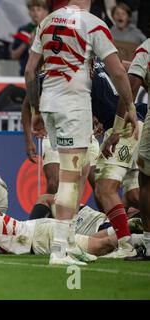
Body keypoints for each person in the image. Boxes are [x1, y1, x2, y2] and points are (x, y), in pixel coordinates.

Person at [24, 0, 138, 265]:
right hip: (73, 107)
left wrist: (36, 110)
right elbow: (119, 71)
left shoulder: (47, 21)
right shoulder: (93, 24)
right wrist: (130, 105)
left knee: (80, 173)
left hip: (51, 104)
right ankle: (59, 250)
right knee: (70, 177)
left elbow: (30, 71)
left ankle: (71, 242)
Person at [0, 177, 116, 262]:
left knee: (101, 246)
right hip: (37, 230)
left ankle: (133, 239)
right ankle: (130, 235)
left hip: (38, 239)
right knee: (97, 241)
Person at [104, 38, 150, 261]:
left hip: (137, 125)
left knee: (145, 180)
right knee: (135, 190)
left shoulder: (147, 48)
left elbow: (129, 87)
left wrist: (117, 129)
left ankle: (141, 246)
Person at [11, 0, 49, 76]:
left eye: (38, 9)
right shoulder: (24, 30)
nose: (35, 13)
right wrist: (26, 42)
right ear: (29, 12)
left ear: (46, 12)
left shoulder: (50, 29)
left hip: (46, 74)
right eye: (32, 10)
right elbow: (14, 56)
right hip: (26, 73)